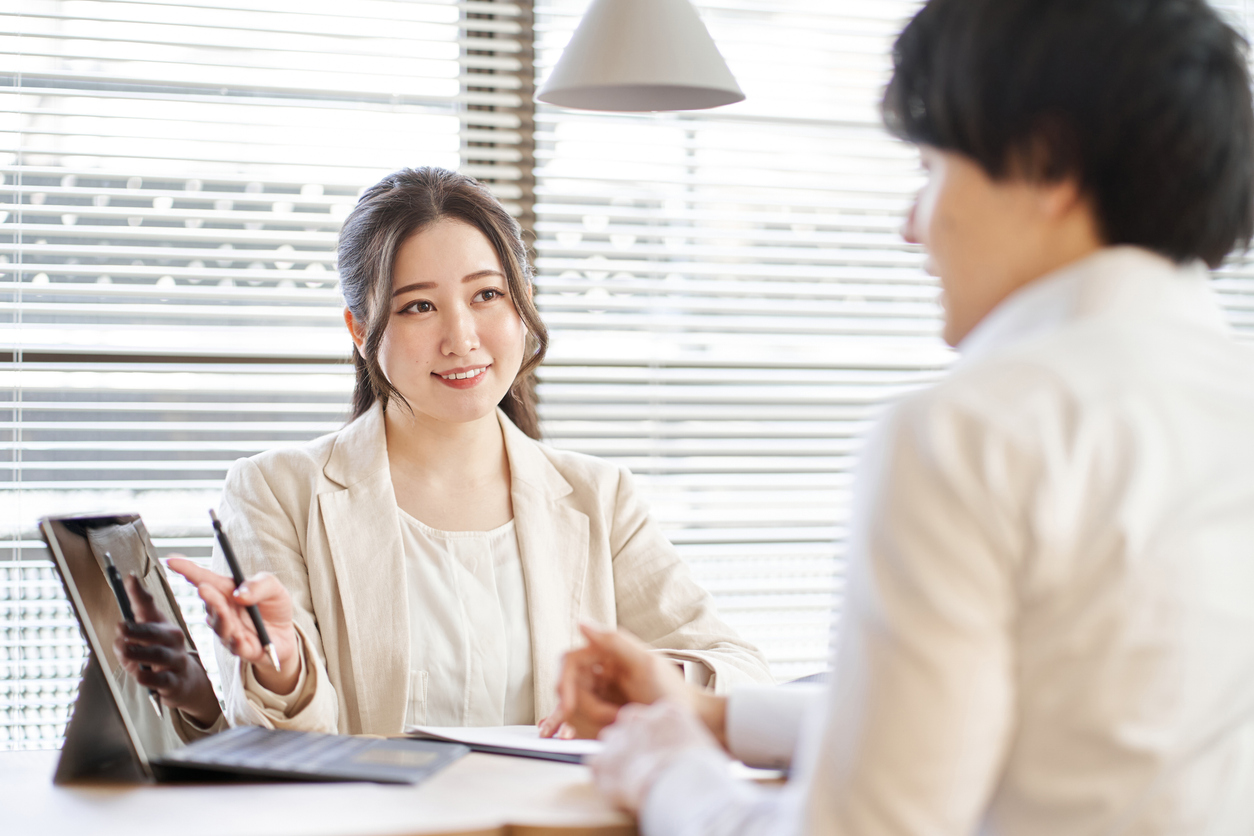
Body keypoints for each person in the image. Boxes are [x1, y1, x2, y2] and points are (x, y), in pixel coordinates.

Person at [540, 0, 1254, 833]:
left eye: (929, 170)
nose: (911, 226)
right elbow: (1065, 715)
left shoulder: (974, 431)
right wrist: (718, 719)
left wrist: (669, 772)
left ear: (1049, 165)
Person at [165, 167, 772, 736]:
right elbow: (289, 742)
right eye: (418, 306)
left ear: (523, 300)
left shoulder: (599, 496)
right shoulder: (276, 491)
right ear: (358, 329)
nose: (462, 338)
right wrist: (285, 664)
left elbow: (736, 667)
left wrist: (647, 682)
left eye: (487, 295)